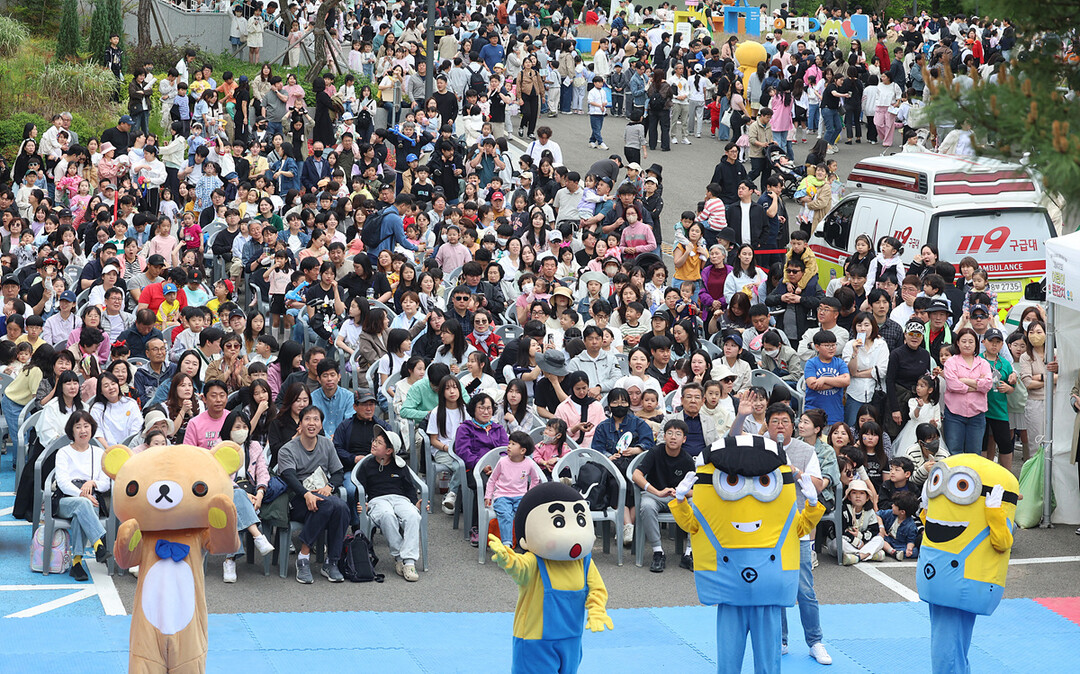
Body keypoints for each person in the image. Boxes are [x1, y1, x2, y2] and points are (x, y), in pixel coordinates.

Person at [277, 405, 350, 584]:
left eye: (316, 419)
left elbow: (339, 472)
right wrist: (306, 494)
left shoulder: (326, 444)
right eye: (307, 419)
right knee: (330, 505)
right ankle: (304, 557)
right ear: (300, 424)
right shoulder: (287, 449)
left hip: (323, 497)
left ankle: (330, 561)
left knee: (339, 506)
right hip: (297, 500)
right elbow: (289, 477)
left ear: (321, 424)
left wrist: (330, 486)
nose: (312, 423)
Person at [356, 425, 423, 582]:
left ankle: (409, 562)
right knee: (387, 516)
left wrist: (415, 503)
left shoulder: (400, 466)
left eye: (379, 442)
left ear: (389, 451)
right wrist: (362, 503)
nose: (374, 443)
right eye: (375, 440)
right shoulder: (367, 465)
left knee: (414, 515)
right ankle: (400, 557)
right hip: (377, 500)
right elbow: (359, 488)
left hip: (400, 499)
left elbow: (409, 488)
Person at [631, 418, 696, 573]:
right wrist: (657, 491)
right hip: (656, 495)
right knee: (646, 505)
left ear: (684, 439)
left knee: (697, 505)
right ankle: (658, 552)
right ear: (664, 436)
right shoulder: (655, 452)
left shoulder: (687, 459)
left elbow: (695, 489)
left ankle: (689, 553)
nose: (673, 437)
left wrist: (681, 493)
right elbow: (636, 475)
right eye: (670, 433)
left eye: (678, 434)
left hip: (679, 499)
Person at [54, 410, 111, 581]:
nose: (83, 430)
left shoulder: (99, 452)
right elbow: (63, 482)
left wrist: (92, 483)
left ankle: (77, 563)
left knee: (83, 510)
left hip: (91, 499)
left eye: (86, 426)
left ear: (92, 429)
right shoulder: (63, 452)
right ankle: (100, 542)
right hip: (66, 500)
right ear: (71, 431)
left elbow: (106, 483)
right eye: (78, 427)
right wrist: (80, 493)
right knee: (83, 504)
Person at [454, 393, 510, 545]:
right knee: (485, 486)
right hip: (474, 470)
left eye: (489, 408)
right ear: (473, 409)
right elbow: (463, 452)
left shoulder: (498, 429)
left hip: (498, 469)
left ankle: (508, 527)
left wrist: (499, 467)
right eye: (481, 408)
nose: (486, 412)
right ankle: (477, 527)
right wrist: (481, 465)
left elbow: (506, 450)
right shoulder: (465, 429)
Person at [485, 430, 544, 546]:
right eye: (509, 443)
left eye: (513, 444)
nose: (509, 447)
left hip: (521, 496)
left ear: (523, 451)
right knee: (505, 514)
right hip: (502, 496)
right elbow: (492, 480)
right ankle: (507, 543)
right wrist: (488, 495)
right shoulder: (502, 462)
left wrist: (529, 496)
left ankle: (526, 542)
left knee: (526, 514)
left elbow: (535, 479)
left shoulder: (529, 463)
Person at [942, 328, 993, 454]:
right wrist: (977, 385)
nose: (967, 344)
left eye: (971, 341)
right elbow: (953, 385)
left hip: (977, 414)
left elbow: (987, 385)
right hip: (954, 414)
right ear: (957, 343)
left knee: (974, 453)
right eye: (963, 341)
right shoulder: (951, 362)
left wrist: (964, 380)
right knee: (954, 451)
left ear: (976, 344)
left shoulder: (983, 363)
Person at [836, 479, 884, 565]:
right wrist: (855, 541)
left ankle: (858, 557)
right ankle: (869, 554)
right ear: (849, 497)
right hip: (848, 541)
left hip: (863, 542)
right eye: (854, 493)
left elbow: (874, 530)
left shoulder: (870, 511)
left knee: (879, 539)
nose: (858, 496)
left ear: (867, 497)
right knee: (839, 543)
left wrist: (860, 536)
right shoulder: (843, 510)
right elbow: (839, 531)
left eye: (862, 493)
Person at [183, 379, 230, 450]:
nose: (218, 400)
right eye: (213, 396)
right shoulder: (194, 423)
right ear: (204, 399)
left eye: (222, 395)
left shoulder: (233, 418)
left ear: (226, 398)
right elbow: (189, 451)